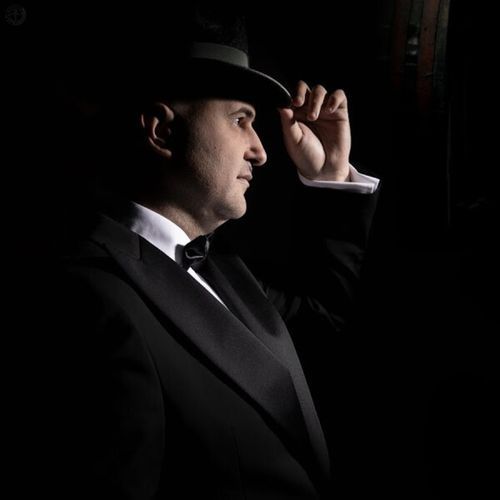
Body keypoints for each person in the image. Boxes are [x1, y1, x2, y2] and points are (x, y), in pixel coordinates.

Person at [39, 3, 380, 499]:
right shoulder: (88, 300)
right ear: (162, 130)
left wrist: (331, 177)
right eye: (241, 119)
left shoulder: (224, 267)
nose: (261, 150)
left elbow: (324, 330)